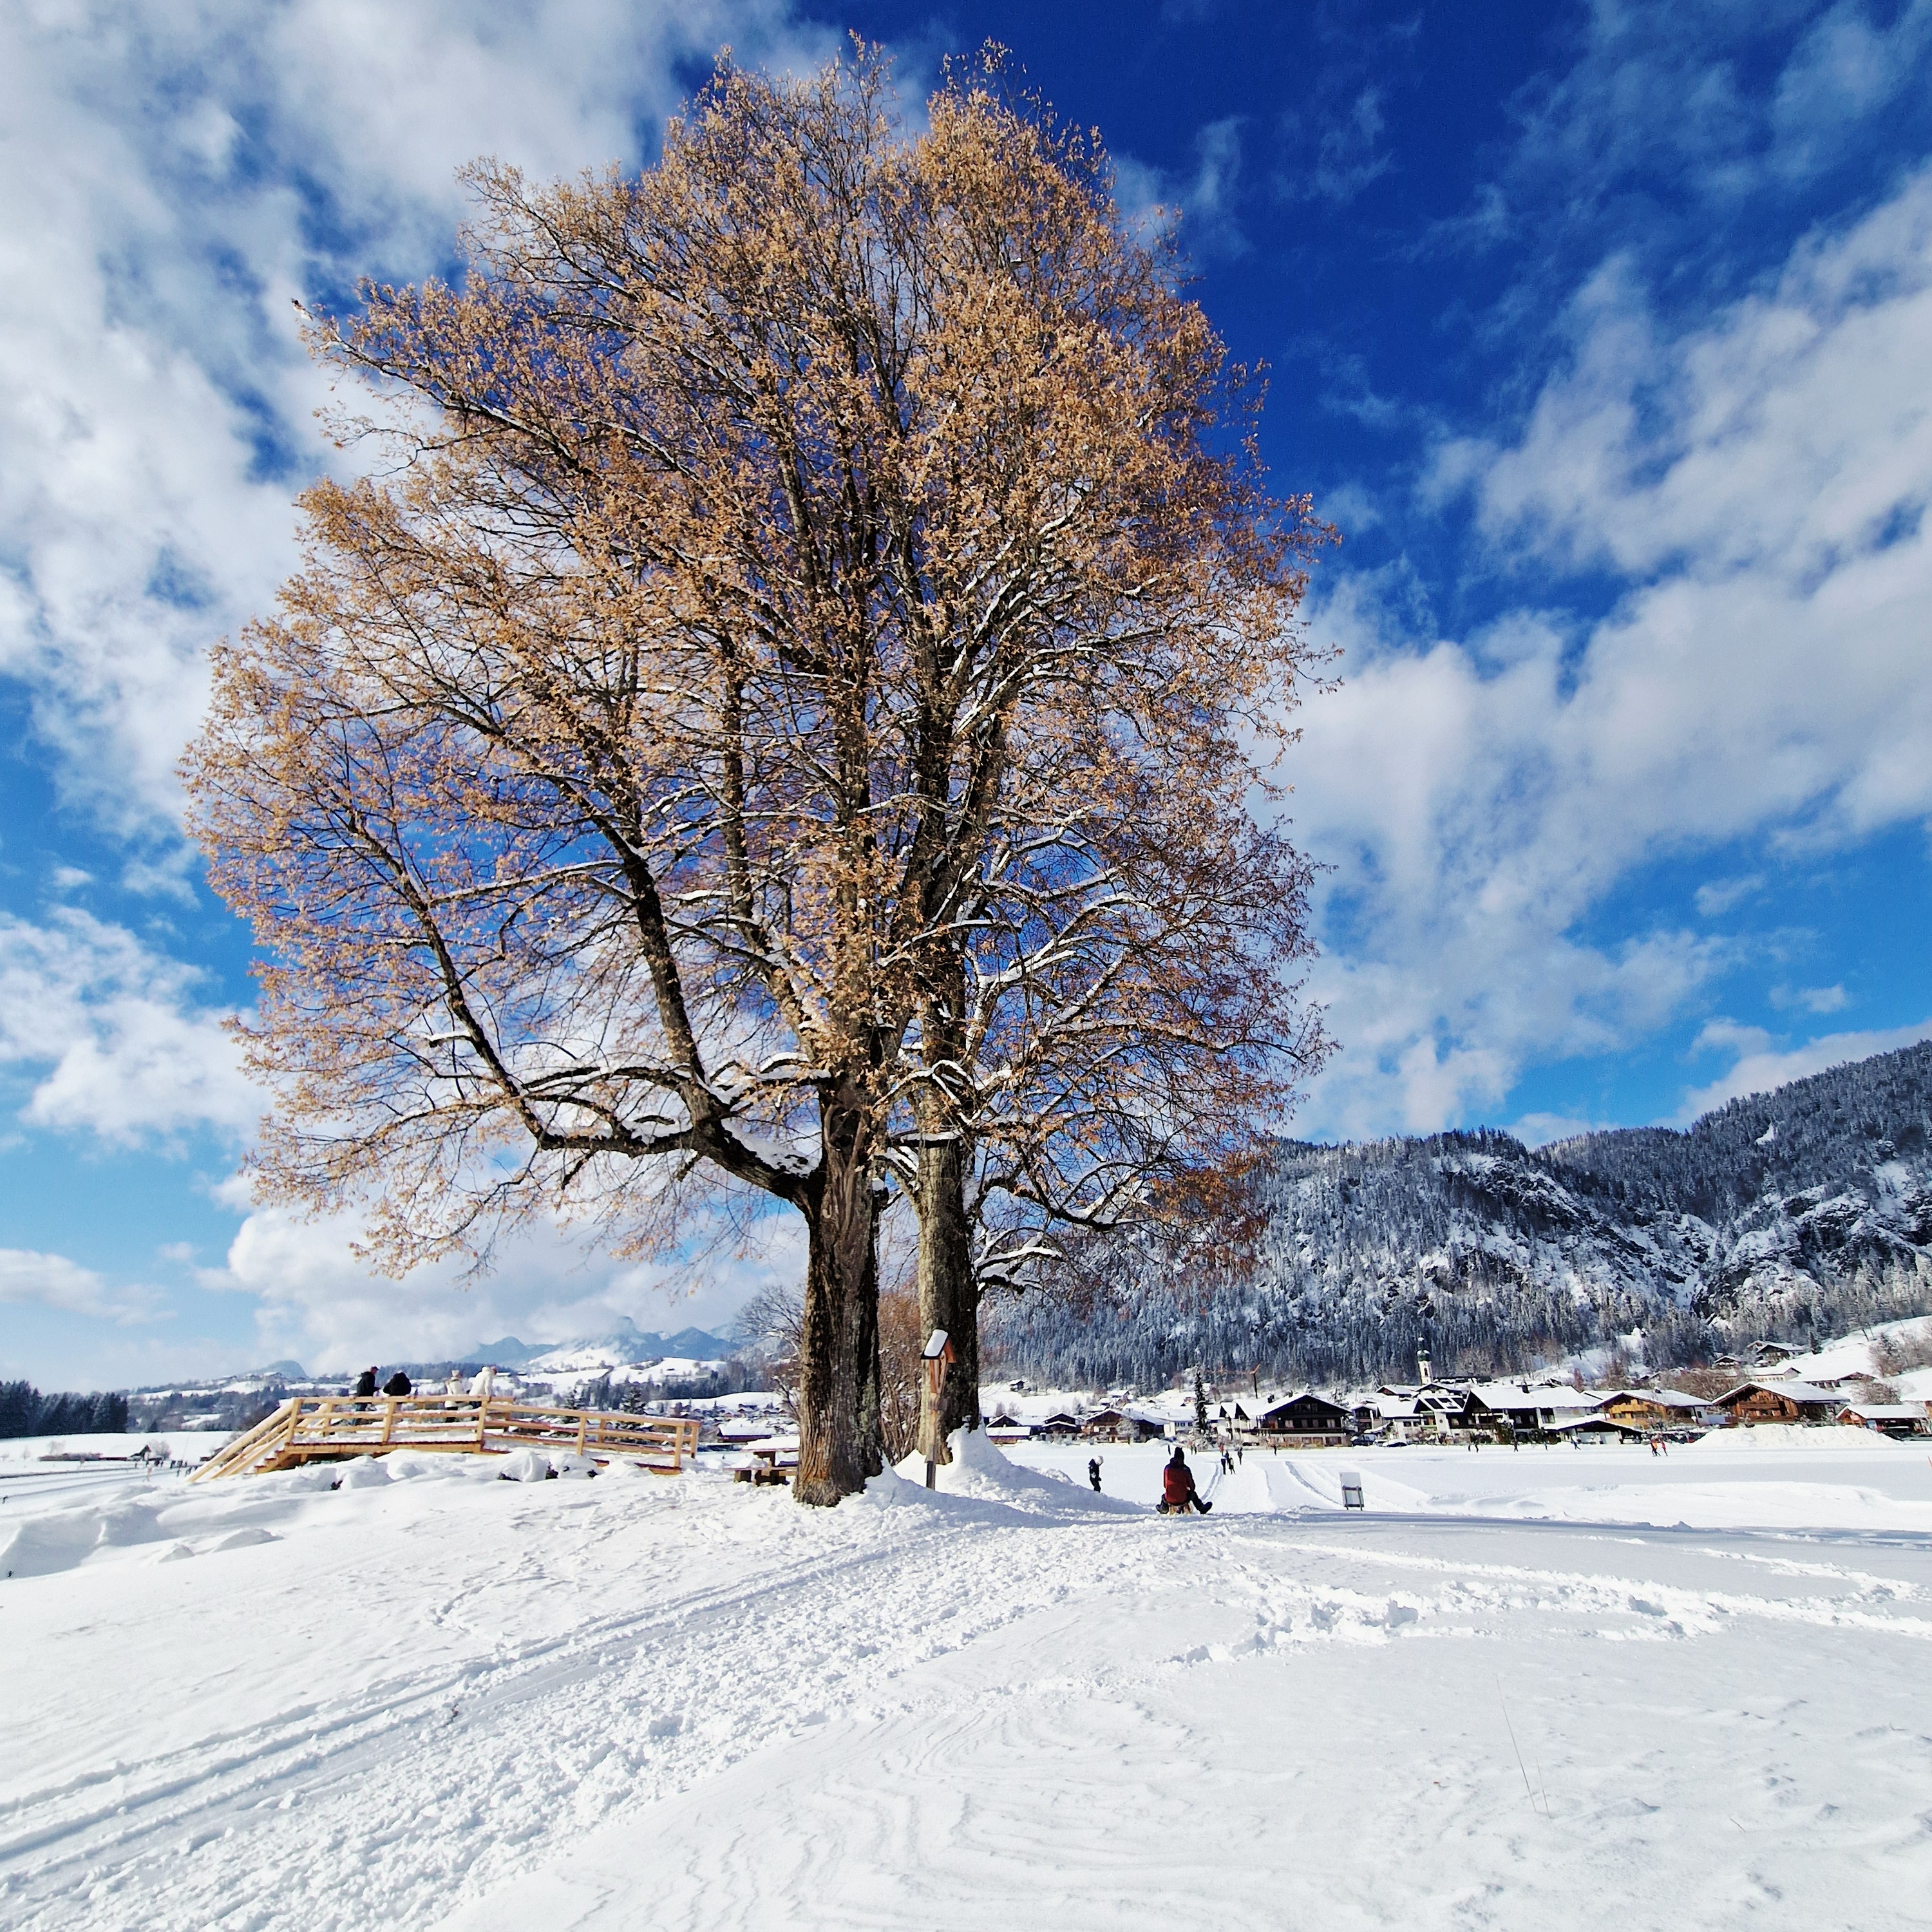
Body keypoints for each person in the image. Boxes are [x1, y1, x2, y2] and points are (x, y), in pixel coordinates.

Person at [1159, 1445, 1210, 1515]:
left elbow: (1165, 1485)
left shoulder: (1167, 1468)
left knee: (1164, 1497)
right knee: (1193, 1495)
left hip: (1170, 1498)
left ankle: (1163, 1510)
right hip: (1183, 1498)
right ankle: (1202, 1509)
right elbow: (1192, 1487)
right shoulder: (1185, 1469)